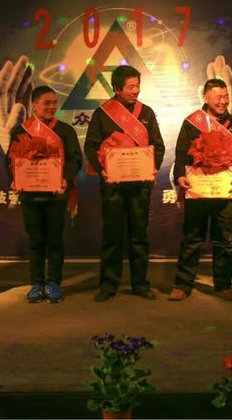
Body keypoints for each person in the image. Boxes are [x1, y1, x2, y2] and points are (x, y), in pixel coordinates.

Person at [84, 65, 165, 302]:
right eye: (130, 87)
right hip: (113, 186)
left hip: (140, 185)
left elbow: (158, 145)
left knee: (139, 236)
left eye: (137, 86)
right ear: (117, 88)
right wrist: (102, 170)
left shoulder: (147, 113)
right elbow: (91, 146)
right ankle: (108, 284)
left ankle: (140, 284)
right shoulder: (102, 114)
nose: (135, 91)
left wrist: (152, 166)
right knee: (112, 236)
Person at [168, 78, 232, 302]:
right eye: (218, 97)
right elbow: (181, 154)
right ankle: (182, 284)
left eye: (226, 97)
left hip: (224, 190)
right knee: (191, 239)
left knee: (223, 241)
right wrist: (180, 176)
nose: (223, 101)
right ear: (206, 97)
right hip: (198, 189)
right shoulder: (192, 123)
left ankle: (223, 285)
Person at [6, 86, 82, 304]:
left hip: (56, 196)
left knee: (55, 240)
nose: (52, 107)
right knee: (36, 241)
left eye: (54, 102)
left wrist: (65, 178)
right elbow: (10, 160)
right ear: (34, 105)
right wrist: (15, 177)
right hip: (30, 197)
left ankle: (54, 282)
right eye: (47, 103)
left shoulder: (65, 131)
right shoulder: (20, 131)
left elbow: (75, 159)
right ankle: (37, 283)